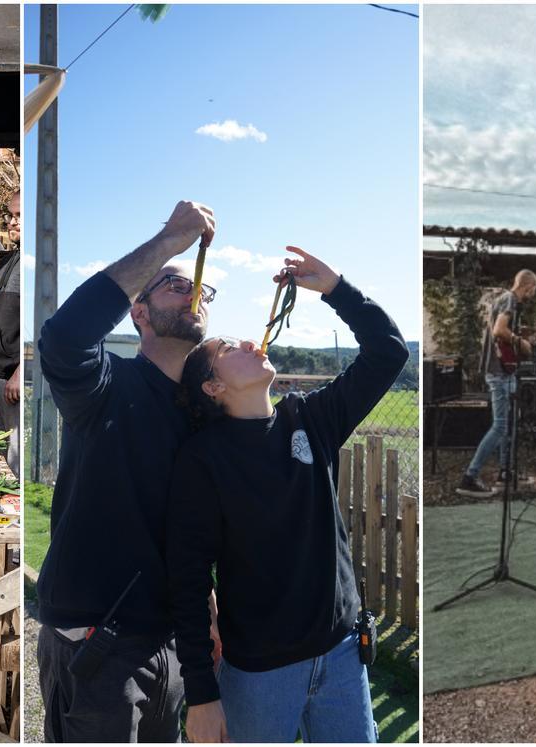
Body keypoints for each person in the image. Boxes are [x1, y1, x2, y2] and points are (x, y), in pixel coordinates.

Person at [170, 247, 408, 743]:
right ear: (213, 387)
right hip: (259, 672)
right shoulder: (202, 460)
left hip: (343, 654)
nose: (248, 344)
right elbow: (189, 580)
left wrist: (336, 289)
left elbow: (389, 352)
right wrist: (201, 694)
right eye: (229, 348)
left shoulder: (310, 419)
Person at [35, 200, 217, 742]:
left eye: (201, 291)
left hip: (174, 646)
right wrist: (169, 242)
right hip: (98, 642)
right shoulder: (105, 386)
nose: (194, 295)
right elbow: (63, 337)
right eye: (174, 286)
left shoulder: (203, 412)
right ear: (138, 312)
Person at [455, 270, 536, 498]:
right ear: (528, 286)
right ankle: (469, 478)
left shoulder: (503, 299)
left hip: (504, 370)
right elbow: (499, 330)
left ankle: (505, 471)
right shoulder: (510, 300)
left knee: (509, 421)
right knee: (501, 425)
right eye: (534, 289)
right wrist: (521, 341)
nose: (533, 294)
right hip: (499, 372)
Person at [0, 193, 21, 477]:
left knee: (16, 456)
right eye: (11, 216)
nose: (12, 222)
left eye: (19, 216)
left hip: (14, 379)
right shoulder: (5, 262)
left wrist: (21, 372)